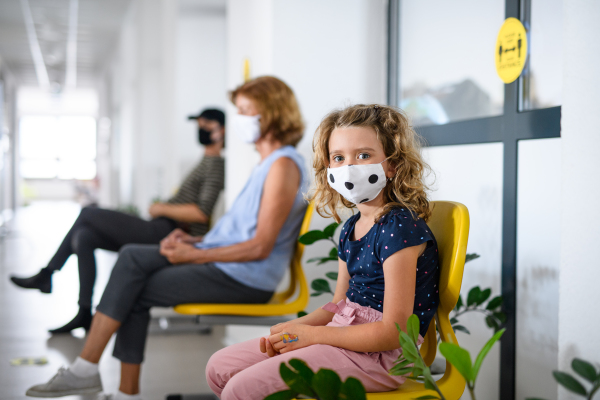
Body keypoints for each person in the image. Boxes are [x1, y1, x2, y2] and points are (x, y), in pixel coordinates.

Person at [25, 76, 307, 400]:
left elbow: (260, 246)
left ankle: (89, 374)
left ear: (271, 113)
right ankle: (106, 383)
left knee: (132, 269)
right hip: (228, 266)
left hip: (246, 278)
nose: (238, 120)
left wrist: (195, 256)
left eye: (245, 111)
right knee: (132, 267)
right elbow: (238, 234)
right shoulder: (267, 164)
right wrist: (194, 244)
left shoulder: (283, 166)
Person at [205, 104, 441, 400]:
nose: (349, 167)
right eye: (338, 158)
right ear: (328, 169)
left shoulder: (399, 227)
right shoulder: (350, 228)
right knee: (220, 367)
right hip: (341, 333)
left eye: (364, 155)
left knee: (241, 389)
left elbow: (394, 333)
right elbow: (338, 305)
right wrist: (292, 328)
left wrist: (313, 336)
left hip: (382, 357)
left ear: (392, 165)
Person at [10, 109, 226, 334]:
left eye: (206, 124)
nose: (200, 129)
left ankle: (47, 274)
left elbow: (202, 212)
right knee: (84, 237)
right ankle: (84, 312)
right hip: (160, 226)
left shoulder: (216, 165)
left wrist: (161, 207)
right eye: (198, 124)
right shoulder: (205, 161)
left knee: (88, 214)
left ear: (221, 130)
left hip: (168, 231)